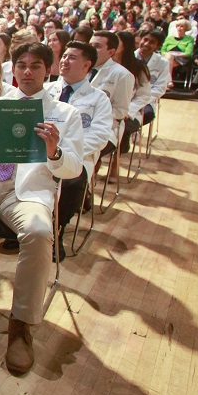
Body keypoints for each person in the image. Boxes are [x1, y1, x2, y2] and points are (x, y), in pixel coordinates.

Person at [0, 42, 84, 376]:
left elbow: (74, 170)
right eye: (21, 65)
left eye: (35, 66)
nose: (27, 72)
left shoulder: (65, 113)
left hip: (28, 192)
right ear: (12, 70)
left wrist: (54, 150)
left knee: (39, 231)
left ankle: (21, 326)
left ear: (48, 70)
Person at [45, 41, 113, 259]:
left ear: (87, 65)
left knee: (71, 181)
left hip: (76, 157)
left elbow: (100, 136)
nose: (64, 60)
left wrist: (65, 152)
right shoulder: (46, 90)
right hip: (41, 154)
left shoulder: (98, 98)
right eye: (64, 56)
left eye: (72, 57)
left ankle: (58, 230)